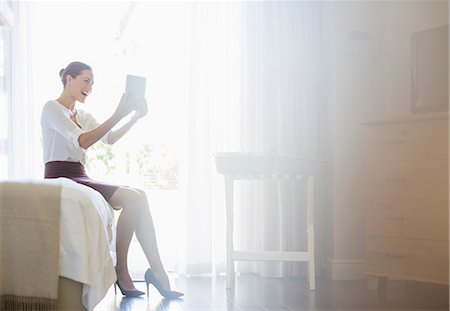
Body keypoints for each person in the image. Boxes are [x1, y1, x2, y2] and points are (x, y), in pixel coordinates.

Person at [41, 61, 183, 299]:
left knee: (140, 196)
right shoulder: (51, 108)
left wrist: (133, 118)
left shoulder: (83, 115)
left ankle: (158, 273)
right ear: (68, 79)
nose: (90, 87)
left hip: (79, 174)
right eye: (86, 80)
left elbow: (110, 139)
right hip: (60, 175)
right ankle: (123, 270)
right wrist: (118, 113)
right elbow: (83, 141)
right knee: (132, 198)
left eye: (93, 83)